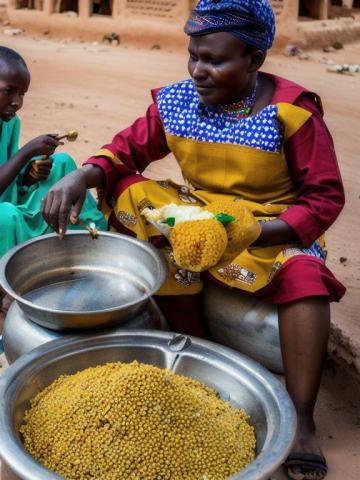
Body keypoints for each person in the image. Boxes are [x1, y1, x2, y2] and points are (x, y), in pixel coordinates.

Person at [41, 1, 345, 478]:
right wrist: (81, 176)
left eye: (215, 61)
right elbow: (126, 150)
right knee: (130, 191)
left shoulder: (292, 111)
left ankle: (303, 420)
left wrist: (255, 231)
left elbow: (325, 198)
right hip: (197, 218)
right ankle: (194, 342)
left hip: (268, 227)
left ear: (254, 60)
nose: (199, 71)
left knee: (305, 275)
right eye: (194, 56)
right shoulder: (179, 101)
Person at [0, 46, 107, 258]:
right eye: (9, 91)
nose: (17, 102)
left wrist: (28, 175)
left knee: (63, 164)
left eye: (22, 94)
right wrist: (26, 153)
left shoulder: (9, 122)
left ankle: (90, 236)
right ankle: (14, 269)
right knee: (6, 215)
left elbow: (12, 181)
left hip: (7, 201)